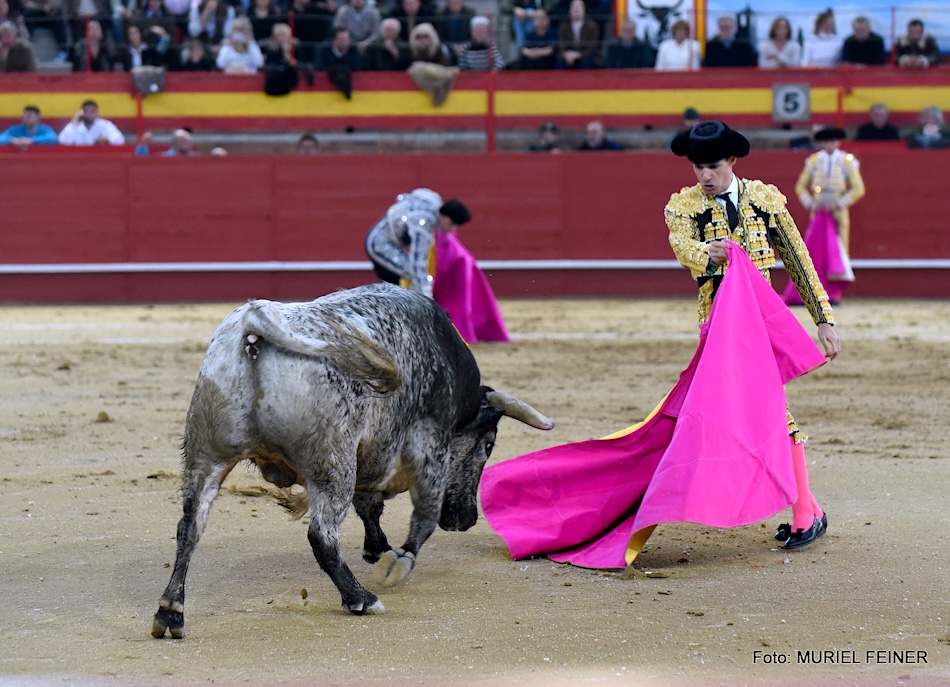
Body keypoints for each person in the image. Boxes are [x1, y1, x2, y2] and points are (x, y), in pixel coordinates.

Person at [479, 122, 839, 568]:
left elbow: (799, 261)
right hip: (718, 328)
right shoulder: (683, 207)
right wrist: (708, 253)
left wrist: (824, 320)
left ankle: (806, 512)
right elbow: (683, 248)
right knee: (747, 410)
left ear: (732, 161)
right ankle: (807, 509)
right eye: (698, 167)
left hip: (761, 328)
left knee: (768, 407)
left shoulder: (767, 201)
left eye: (712, 166)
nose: (704, 176)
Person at [364, 189, 508, 343]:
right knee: (405, 279)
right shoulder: (424, 224)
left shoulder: (433, 204)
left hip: (385, 242)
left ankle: (391, 324)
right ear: (444, 217)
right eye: (451, 224)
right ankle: (387, 323)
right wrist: (429, 302)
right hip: (379, 246)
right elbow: (418, 264)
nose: (451, 229)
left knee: (400, 284)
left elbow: (415, 195)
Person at [791, 125, 865, 303]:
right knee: (816, 251)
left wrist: (838, 203)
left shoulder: (847, 161)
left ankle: (835, 293)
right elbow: (800, 186)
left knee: (837, 251)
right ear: (822, 142)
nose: (829, 144)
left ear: (837, 142)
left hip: (838, 213)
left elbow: (859, 188)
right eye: (826, 141)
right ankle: (815, 291)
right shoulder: (814, 161)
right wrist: (812, 203)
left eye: (832, 141)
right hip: (818, 213)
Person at [57, 99, 125, 145]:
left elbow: (120, 139)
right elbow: (62, 140)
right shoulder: (75, 126)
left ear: (97, 113)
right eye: (86, 111)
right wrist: (73, 123)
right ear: (82, 113)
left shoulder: (105, 125)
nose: (89, 114)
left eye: (92, 111)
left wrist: (107, 140)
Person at [556, 0, 599, 69]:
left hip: (585, 56)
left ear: (584, 10)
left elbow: (592, 47)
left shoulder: (592, 26)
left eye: (578, 7)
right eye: (574, 7)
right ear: (569, 10)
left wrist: (578, 55)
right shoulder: (563, 25)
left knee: (586, 63)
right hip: (568, 56)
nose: (576, 10)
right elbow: (561, 44)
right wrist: (566, 54)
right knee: (560, 64)